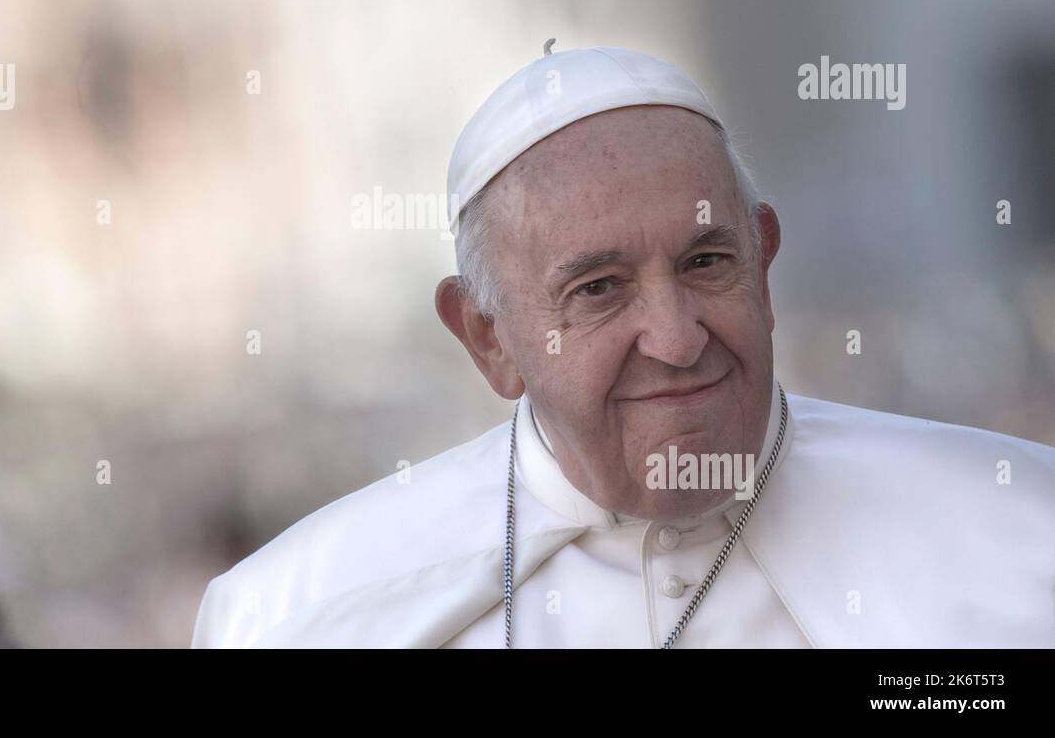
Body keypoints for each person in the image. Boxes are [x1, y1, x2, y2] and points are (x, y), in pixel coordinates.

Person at [192, 44, 1055, 648]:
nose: (677, 341)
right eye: (598, 289)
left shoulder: (1021, 531)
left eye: (708, 263)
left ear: (764, 266)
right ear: (487, 338)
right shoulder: (292, 616)